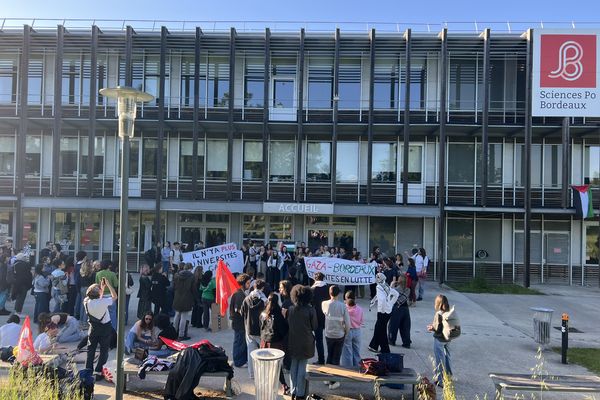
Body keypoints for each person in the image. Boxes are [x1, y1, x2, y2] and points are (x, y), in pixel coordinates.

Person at [287, 285, 318, 400]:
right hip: (306, 342)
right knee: (302, 368)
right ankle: (300, 393)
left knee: (293, 366)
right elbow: (314, 326)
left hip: (293, 341)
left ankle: (293, 391)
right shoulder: (311, 310)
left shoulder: (291, 309)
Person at [84, 278, 117, 381]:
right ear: (98, 294)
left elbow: (98, 298)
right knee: (104, 351)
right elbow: (114, 296)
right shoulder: (103, 302)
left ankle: (88, 370)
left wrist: (101, 288)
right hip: (105, 328)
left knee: (91, 350)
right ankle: (98, 371)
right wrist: (108, 285)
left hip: (93, 328)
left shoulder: (86, 301)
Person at [321, 285, 350, 390]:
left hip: (328, 334)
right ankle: (333, 381)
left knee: (329, 355)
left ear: (330, 293)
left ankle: (327, 377)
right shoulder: (343, 306)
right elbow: (347, 323)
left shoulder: (324, 304)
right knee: (336, 358)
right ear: (339, 294)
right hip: (339, 335)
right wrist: (345, 332)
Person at [260, 292, 290, 395]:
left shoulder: (264, 313)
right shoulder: (278, 314)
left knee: (267, 365)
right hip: (276, 343)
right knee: (277, 365)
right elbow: (284, 329)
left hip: (265, 342)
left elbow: (261, 327)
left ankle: (268, 384)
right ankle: (284, 385)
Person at [240, 279, 266, 380]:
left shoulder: (246, 299)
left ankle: (252, 374)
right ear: (262, 288)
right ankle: (263, 373)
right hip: (260, 330)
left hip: (249, 329)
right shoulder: (264, 300)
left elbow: (242, 312)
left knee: (251, 353)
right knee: (263, 353)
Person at [427, 294, 455, 386]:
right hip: (448, 338)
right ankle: (449, 376)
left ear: (437, 303)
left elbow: (438, 328)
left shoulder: (438, 314)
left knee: (440, 359)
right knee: (447, 356)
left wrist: (432, 328)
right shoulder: (450, 312)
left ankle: (440, 380)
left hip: (439, 339)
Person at [368, 273, 399, 354]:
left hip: (383, 311)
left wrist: (382, 310)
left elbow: (381, 300)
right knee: (379, 328)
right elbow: (396, 294)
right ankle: (373, 345)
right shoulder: (386, 285)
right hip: (388, 310)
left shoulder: (379, 287)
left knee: (381, 330)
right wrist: (391, 304)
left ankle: (385, 349)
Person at [229, 273, 252, 368]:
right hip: (239, 323)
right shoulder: (239, 294)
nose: (249, 285)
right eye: (248, 283)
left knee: (239, 341)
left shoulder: (239, 292)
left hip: (239, 322)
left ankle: (238, 359)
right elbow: (239, 309)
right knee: (240, 342)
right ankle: (239, 361)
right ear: (243, 283)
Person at [173, 263, 196, 340]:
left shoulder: (176, 275)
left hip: (177, 297)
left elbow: (173, 286)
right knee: (184, 317)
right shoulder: (192, 277)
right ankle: (181, 334)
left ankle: (173, 331)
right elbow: (193, 289)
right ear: (190, 269)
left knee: (177, 315)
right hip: (187, 298)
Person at [310, 272, 329, 365]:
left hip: (316, 317)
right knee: (330, 339)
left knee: (319, 339)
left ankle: (321, 359)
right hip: (327, 316)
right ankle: (330, 361)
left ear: (315, 279)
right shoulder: (328, 288)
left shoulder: (312, 289)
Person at [341, 290, 363, 368]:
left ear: (345, 299)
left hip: (347, 331)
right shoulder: (360, 309)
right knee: (356, 351)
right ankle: (357, 367)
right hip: (357, 331)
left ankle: (348, 368)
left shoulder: (344, 308)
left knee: (347, 352)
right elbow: (361, 321)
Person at [388, 276, 412, 348]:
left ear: (399, 281)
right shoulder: (408, 290)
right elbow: (404, 298)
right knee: (405, 326)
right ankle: (406, 342)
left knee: (393, 325)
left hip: (396, 308)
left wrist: (392, 285)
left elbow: (389, 296)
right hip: (405, 309)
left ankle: (392, 340)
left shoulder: (395, 289)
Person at [95, 260, 119, 330]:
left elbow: (96, 284)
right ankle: (113, 329)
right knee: (113, 313)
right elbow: (116, 284)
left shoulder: (98, 274)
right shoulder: (112, 274)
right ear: (109, 266)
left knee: (102, 314)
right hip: (110, 296)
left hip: (102, 296)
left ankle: (103, 329)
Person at [78, 259, 96, 326]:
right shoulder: (92, 273)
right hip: (88, 288)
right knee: (87, 305)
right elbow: (93, 282)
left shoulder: (81, 272)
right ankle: (85, 322)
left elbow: (78, 281)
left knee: (82, 305)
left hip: (82, 288)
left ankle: (81, 321)